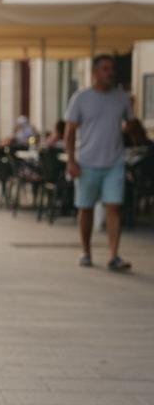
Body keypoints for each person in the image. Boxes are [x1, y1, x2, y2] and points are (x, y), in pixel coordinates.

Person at [65, 55, 135, 271]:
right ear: (95, 73)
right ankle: (86, 251)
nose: (110, 72)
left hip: (115, 161)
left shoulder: (121, 98)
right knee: (85, 208)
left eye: (112, 68)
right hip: (87, 162)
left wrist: (127, 128)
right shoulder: (81, 98)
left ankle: (114, 255)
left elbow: (131, 125)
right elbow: (69, 131)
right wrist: (71, 160)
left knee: (114, 207)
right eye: (105, 69)